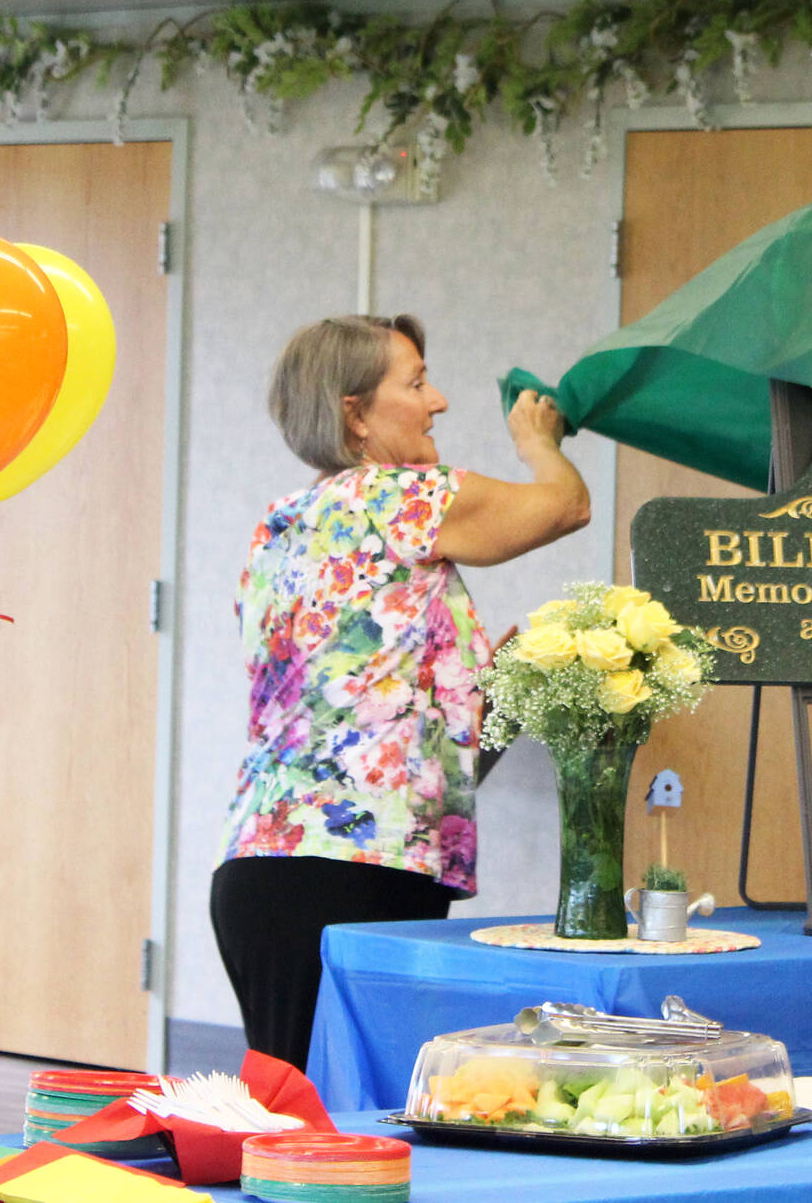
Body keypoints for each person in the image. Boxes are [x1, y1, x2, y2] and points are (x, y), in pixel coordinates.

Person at [215, 313, 590, 1068]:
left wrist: (504, 682)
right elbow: (566, 506)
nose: (438, 400)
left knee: (299, 1130)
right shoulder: (402, 497)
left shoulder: (279, 524)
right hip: (352, 874)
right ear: (354, 412)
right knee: (340, 1141)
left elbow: (357, 709)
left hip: (265, 870)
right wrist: (538, 445)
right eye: (416, 383)